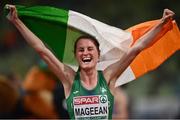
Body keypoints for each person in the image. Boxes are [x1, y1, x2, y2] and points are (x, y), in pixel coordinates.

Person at [6, 4, 174, 119]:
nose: (85, 52)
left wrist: (160, 24)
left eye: (89, 49)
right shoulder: (69, 79)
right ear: (76, 56)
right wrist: (17, 22)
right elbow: (42, 50)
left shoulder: (108, 77)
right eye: (81, 49)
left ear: (98, 55)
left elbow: (136, 48)